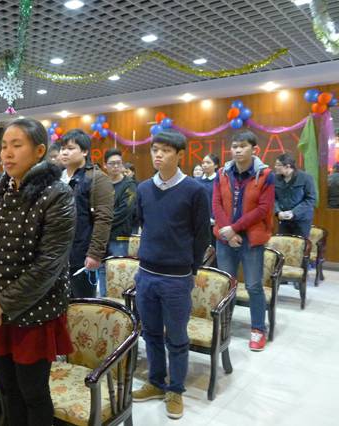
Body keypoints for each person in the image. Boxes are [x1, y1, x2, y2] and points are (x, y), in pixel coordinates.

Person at [0, 118, 75, 426]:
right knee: (7, 388)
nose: (7, 153)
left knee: (33, 392)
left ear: (39, 151)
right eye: (4, 146)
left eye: (17, 145)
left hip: (35, 312)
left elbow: (48, 264)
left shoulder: (57, 194)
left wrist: (2, 303)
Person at [131, 130, 210, 420]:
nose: (158, 155)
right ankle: (155, 382)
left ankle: (175, 389)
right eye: (155, 150)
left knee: (176, 337)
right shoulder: (143, 188)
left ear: (180, 155)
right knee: (150, 333)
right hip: (146, 274)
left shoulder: (194, 190)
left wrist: (191, 269)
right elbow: (142, 223)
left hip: (176, 278)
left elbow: (202, 234)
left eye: (165, 150)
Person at [213, 130, 275, 352]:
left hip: (251, 239)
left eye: (243, 146)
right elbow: (216, 204)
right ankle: (224, 325)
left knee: (253, 286)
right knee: (227, 284)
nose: (238, 150)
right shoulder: (222, 173)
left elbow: (263, 209)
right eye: (234, 146)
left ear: (254, 149)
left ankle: (258, 328)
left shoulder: (265, 174)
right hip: (225, 239)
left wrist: (235, 228)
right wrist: (228, 233)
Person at [59, 129, 114, 298]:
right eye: (62, 148)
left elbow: (103, 219)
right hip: (56, 254)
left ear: (84, 151)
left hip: (81, 254)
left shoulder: (97, 178)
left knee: (82, 304)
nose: (64, 152)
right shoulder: (56, 178)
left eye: (70, 148)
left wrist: (95, 253)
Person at [98, 148, 137, 297]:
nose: (115, 166)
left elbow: (124, 211)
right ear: (105, 165)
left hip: (119, 237)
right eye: (112, 163)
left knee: (119, 276)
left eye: (118, 163)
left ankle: (119, 306)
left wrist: (102, 223)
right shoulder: (102, 184)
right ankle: (104, 301)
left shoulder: (129, 185)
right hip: (102, 237)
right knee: (102, 270)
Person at [274, 153, 316, 238]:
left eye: (278, 165)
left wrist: (294, 212)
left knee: (300, 244)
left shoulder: (306, 178)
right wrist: (278, 212)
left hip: (302, 220)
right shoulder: (275, 179)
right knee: (283, 244)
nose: (275, 167)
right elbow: (273, 198)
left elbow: (310, 199)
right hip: (283, 219)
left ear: (288, 166)